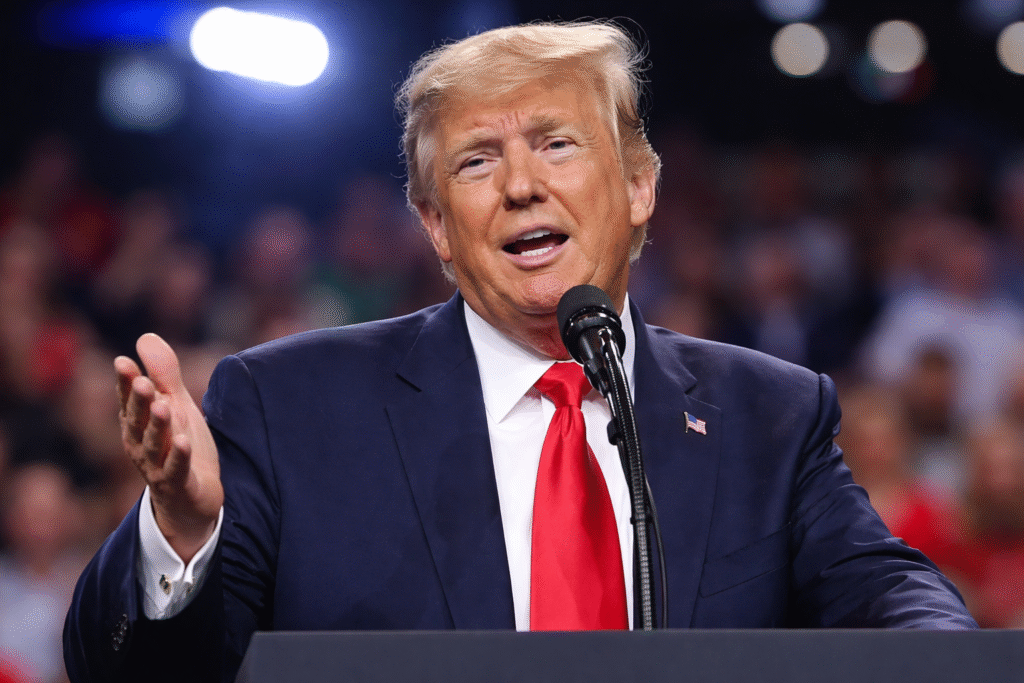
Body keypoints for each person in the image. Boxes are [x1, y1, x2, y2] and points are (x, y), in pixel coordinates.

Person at [63, 20, 977, 683]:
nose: (522, 185)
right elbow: (131, 671)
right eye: (476, 161)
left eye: (557, 144)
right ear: (436, 225)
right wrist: (180, 530)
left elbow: (888, 594)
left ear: (640, 186)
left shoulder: (768, 414)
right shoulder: (291, 406)